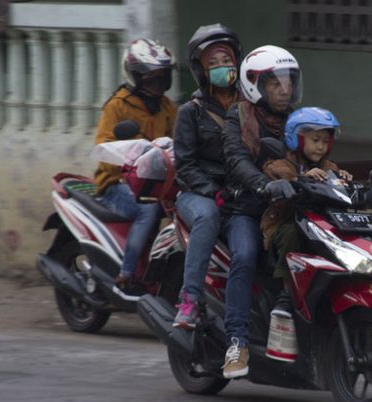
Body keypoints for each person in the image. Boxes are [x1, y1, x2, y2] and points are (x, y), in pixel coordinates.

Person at [219, 45, 303, 378]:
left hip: (287, 207)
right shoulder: (237, 117)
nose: (285, 89)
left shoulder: (297, 118)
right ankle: (236, 342)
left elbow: (314, 152)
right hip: (247, 208)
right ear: (256, 84)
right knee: (245, 256)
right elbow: (236, 160)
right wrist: (263, 184)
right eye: (276, 83)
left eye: (289, 82)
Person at [172, 23, 243, 329]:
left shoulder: (249, 106)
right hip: (197, 193)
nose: (221, 68)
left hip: (239, 190)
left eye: (226, 60)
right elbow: (184, 165)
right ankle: (189, 299)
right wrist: (211, 190)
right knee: (209, 216)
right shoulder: (191, 112)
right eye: (212, 63)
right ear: (201, 70)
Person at [93, 39, 177, 291]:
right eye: (150, 78)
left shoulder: (167, 108)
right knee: (149, 210)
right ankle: (127, 274)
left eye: (161, 77)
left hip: (159, 184)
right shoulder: (117, 105)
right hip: (117, 184)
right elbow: (103, 147)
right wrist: (132, 164)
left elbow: (179, 142)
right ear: (135, 77)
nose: (157, 84)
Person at [260, 107, 352, 318]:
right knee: (293, 233)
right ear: (296, 138)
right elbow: (281, 179)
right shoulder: (280, 165)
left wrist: (344, 179)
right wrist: (301, 179)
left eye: (325, 141)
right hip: (283, 224)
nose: (321, 146)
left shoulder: (329, 166)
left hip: (318, 226)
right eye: (315, 140)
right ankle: (285, 293)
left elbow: (337, 182)